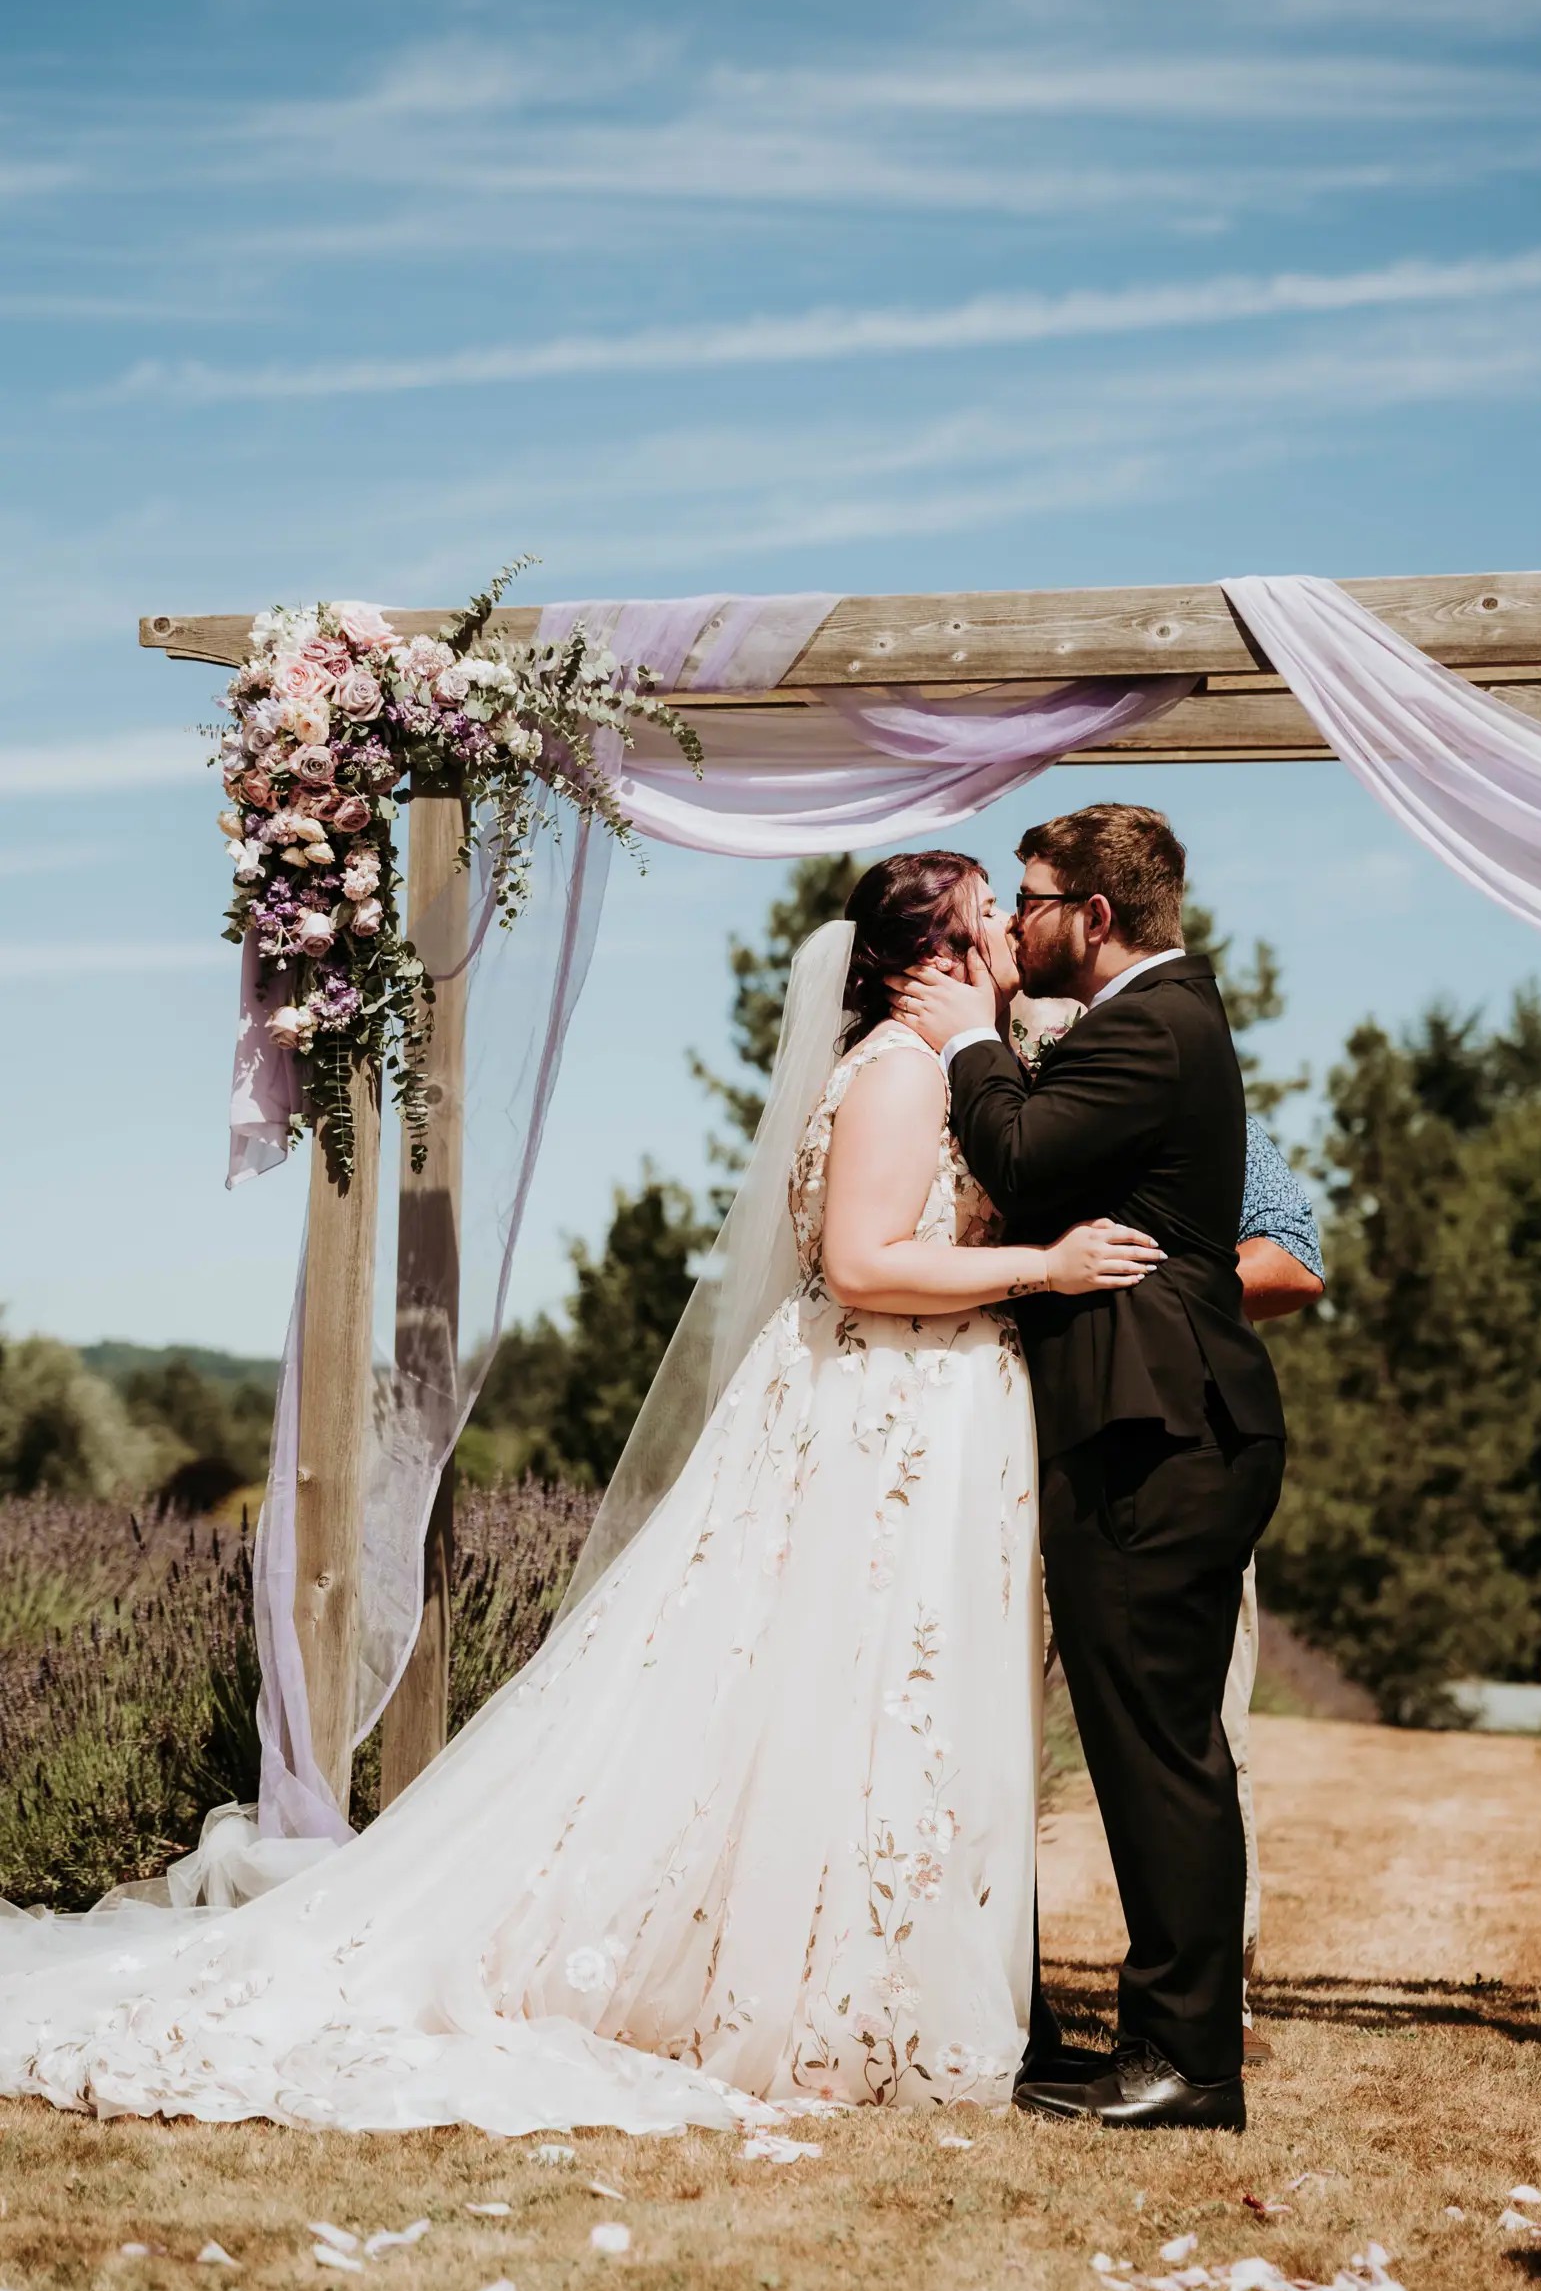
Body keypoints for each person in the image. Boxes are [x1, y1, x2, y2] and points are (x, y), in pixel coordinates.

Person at [0, 853, 1156, 2135]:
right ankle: (803, 1996)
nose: (1005, 926)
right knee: (839, 1680)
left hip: (928, 1417)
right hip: (878, 1414)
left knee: (876, 1698)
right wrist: (1042, 1266)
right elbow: (862, 1259)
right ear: (922, 957)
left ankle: (858, 1978)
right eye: (984, 910)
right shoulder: (894, 1070)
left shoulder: (945, 1060)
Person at [893, 803, 1286, 2133]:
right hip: (1147, 1423)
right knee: (1147, 1749)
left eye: (1031, 897)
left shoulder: (1146, 1026)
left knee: (1160, 1754)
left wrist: (960, 1037)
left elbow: (1016, 1151)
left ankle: (1186, 2060)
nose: (1012, 921)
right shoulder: (1157, 1018)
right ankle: (1167, 2042)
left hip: (1159, 1432)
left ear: (1093, 918)